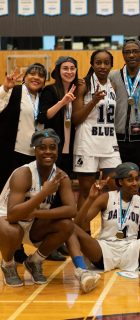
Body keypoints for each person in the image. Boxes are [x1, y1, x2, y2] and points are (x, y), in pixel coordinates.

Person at [67, 162, 140, 291]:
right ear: (120, 182)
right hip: (105, 249)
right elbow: (79, 225)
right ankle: (83, 272)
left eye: (137, 179)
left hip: (131, 249)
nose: (135, 183)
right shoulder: (106, 198)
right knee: (68, 226)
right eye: (130, 180)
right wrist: (90, 199)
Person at [0, 129, 76, 287]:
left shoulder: (61, 176)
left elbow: (71, 210)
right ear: (34, 150)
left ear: (58, 150)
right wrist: (44, 193)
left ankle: (34, 261)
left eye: (52, 147)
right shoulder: (23, 173)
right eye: (42, 147)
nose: (48, 152)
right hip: (6, 221)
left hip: (32, 221)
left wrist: (36, 212)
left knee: (66, 225)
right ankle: (8, 264)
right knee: (12, 230)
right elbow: (12, 215)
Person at [0, 63, 48, 263]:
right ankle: (13, 248)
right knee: (11, 203)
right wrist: (5, 88)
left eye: (40, 75)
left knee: (28, 201)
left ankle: (24, 243)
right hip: (11, 154)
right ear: (25, 77)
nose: (36, 77)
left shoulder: (43, 98)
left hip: (33, 156)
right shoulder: (15, 91)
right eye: (32, 74)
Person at [109, 40, 140, 213]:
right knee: (119, 183)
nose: (131, 55)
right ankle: (119, 221)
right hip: (117, 139)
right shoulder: (112, 78)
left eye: (135, 51)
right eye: (127, 52)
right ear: (123, 55)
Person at [72, 50, 121, 217]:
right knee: (86, 191)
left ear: (111, 65)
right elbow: (76, 119)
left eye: (106, 63)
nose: (102, 66)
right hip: (87, 142)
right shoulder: (83, 85)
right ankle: (82, 231)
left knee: (116, 185)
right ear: (92, 64)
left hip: (108, 142)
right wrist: (93, 101)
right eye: (98, 62)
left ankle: (112, 228)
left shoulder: (112, 86)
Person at [38, 56, 78, 177]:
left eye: (72, 68)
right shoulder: (50, 90)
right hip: (54, 146)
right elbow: (43, 117)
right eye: (65, 68)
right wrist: (62, 102)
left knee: (67, 182)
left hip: (73, 146)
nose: (69, 72)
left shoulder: (78, 90)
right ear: (58, 71)